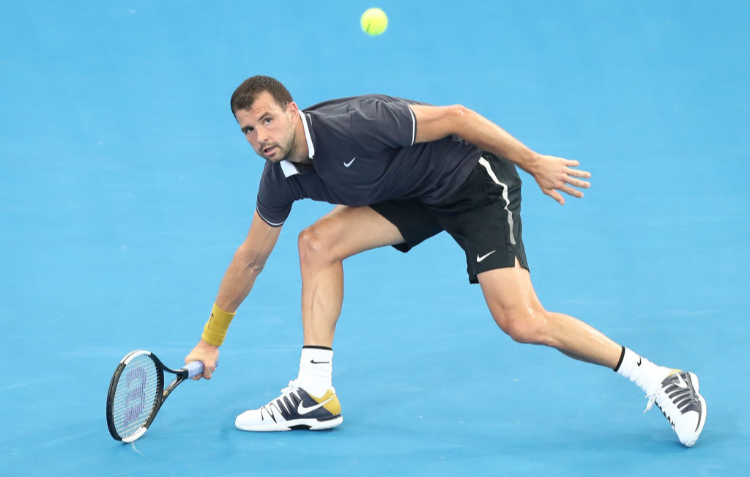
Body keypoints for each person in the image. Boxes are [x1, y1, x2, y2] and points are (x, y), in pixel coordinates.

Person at [185, 75, 706, 446]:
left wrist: (534, 162)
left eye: (268, 121)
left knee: (522, 322)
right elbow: (251, 258)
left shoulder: (358, 123)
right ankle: (315, 393)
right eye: (248, 131)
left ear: (293, 111)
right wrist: (211, 339)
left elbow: (457, 117)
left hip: (473, 182)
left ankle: (661, 378)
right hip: (414, 194)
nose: (260, 139)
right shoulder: (280, 177)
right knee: (316, 243)